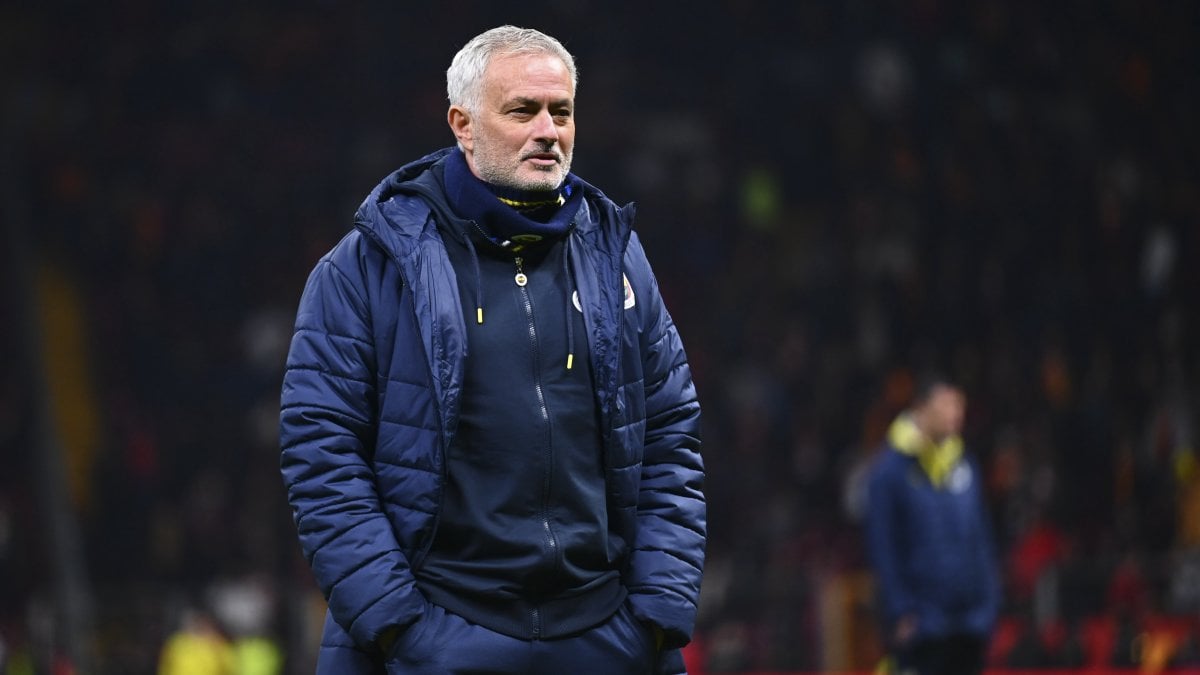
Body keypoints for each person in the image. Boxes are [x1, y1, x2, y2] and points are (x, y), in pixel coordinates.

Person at [278, 25, 706, 675]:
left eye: (561, 111)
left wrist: (653, 614)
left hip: (603, 636)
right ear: (464, 125)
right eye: (522, 110)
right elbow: (321, 452)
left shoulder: (615, 255)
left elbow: (672, 432)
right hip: (440, 634)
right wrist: (400, 628)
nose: (548, 131)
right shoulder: (364, 268)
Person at [864, 374, 1000, 674]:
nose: (956, 413)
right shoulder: (889, 472)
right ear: (921, 408)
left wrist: (988, 605)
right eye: (947, 404)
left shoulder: (965, 466)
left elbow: (981, 540)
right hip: (922, 625)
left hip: (969, 624)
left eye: (959, 405)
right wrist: (900, 610)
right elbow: (883, 548)